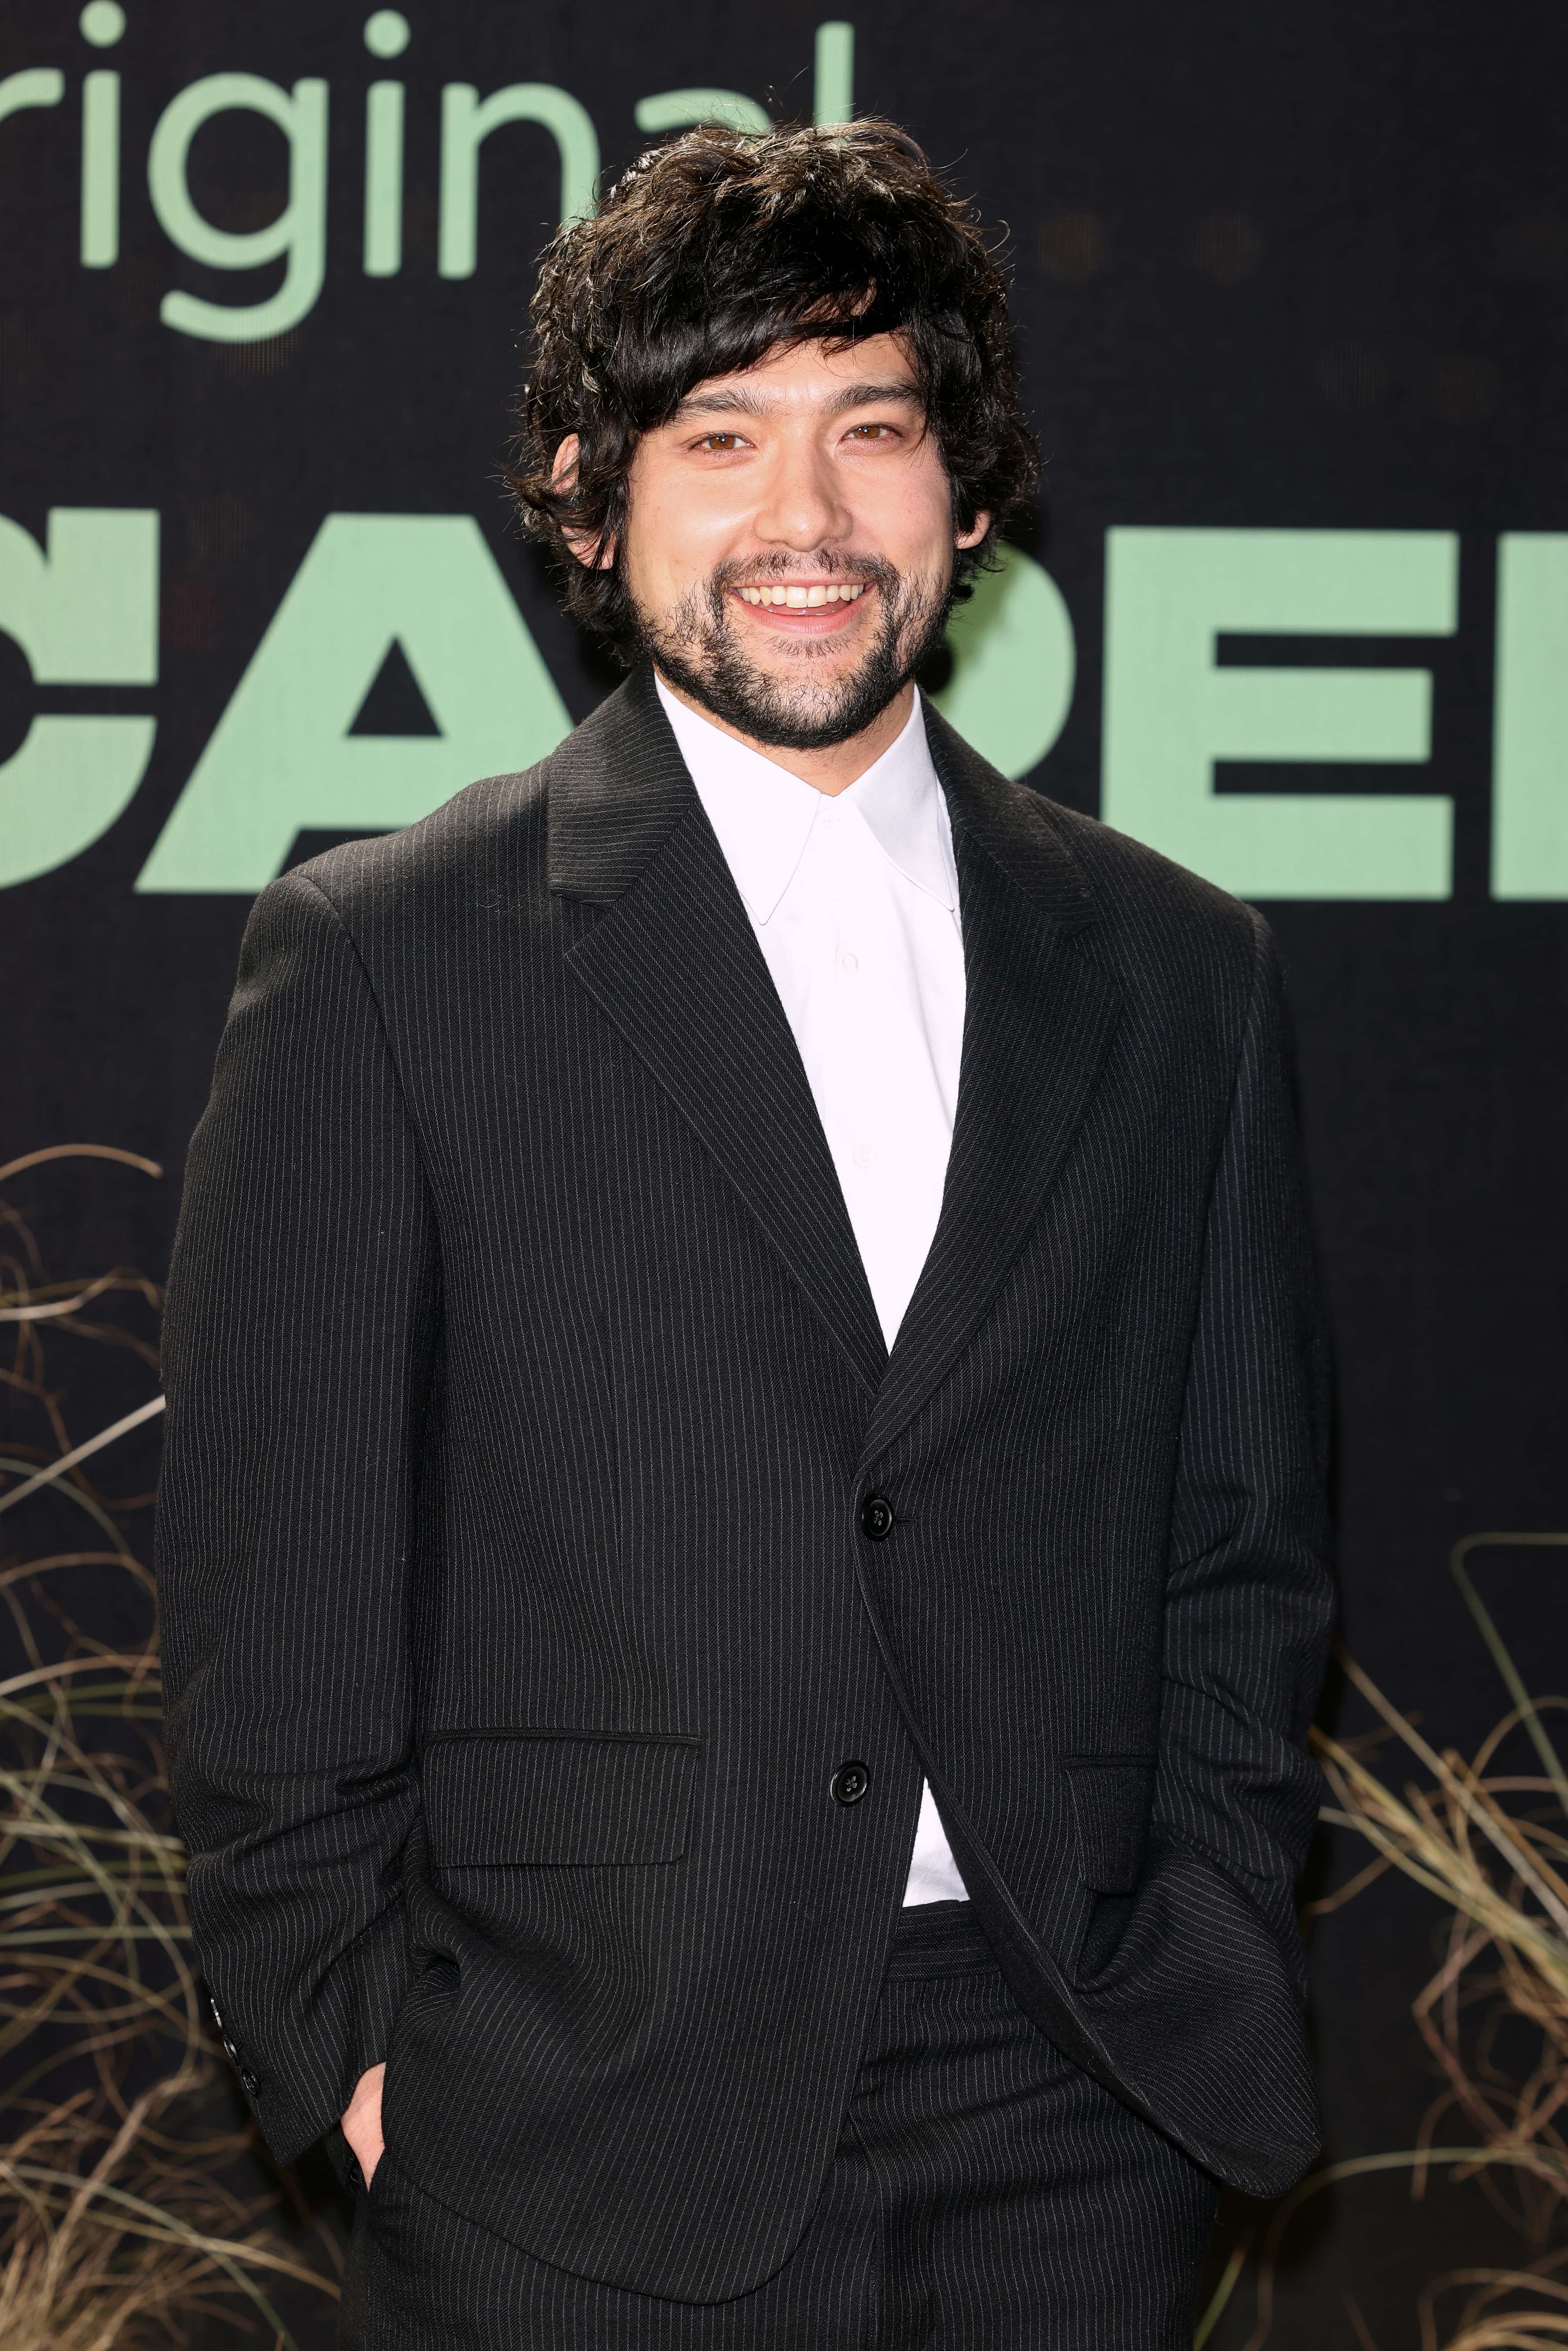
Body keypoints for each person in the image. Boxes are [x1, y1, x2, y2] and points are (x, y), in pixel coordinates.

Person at [156, 118, 1334, 2350]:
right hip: (572, 2134)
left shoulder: (1186, 972)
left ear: (966, 494)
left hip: (1077, 2120)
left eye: (871, 428)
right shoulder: (388, 959)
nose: (806, 515)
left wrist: (1199, 1958)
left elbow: (1240, 1552)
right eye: (721, 436)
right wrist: (358, 2054)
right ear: (592, 502)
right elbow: (274, 1587)